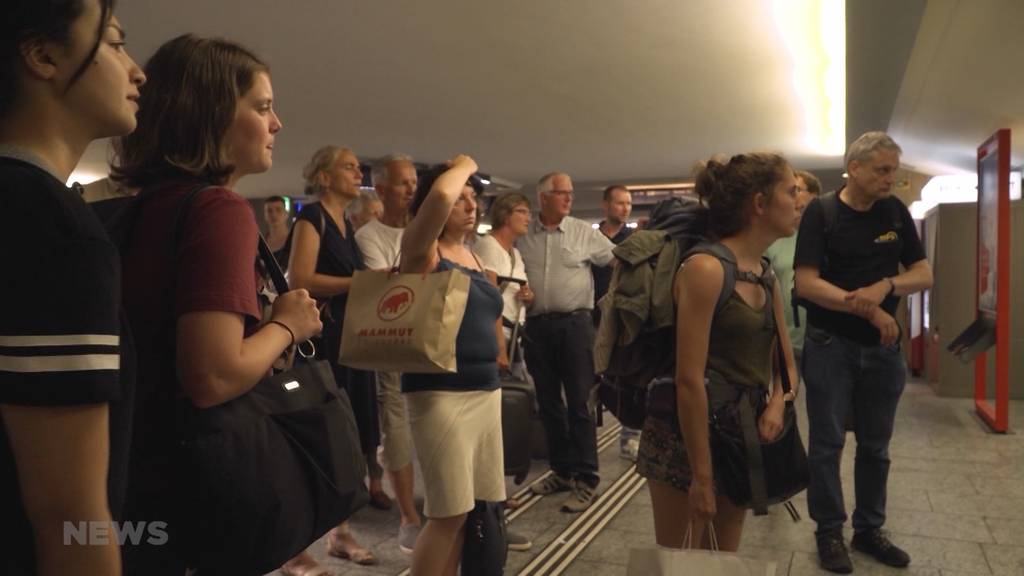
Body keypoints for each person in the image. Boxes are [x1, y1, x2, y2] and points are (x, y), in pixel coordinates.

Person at [111, 34, 322, 575]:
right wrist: (288, 325)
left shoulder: (140, 208)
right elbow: (212, 375)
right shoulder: (219, 209)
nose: (277, 125)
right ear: (209, 113)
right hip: (195, 481)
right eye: (263, 107)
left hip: (131, 471)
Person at [0, 2, 145, 574]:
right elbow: (67, 516)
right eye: (114, 42)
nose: (138, 70)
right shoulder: (49, 224)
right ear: (43, 55)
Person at [636, 152, 800, 552]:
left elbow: (785, 365)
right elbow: (689, 381)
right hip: (684, 438)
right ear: (759, 204)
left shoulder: (764, 273)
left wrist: (779, 401)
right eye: (791, 191)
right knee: (681, 559)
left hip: (738, 433)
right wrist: (702, 478)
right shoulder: (706, 270)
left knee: (721, 559)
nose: (800, 201)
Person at [795, 132, 932, 573]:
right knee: (826, 444)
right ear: (855, 168)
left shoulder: (895, 212)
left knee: (876, 446)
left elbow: (923, 273)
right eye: (883, 170)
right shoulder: (822, 212)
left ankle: (869, 529)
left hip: (883, 353)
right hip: (830, 344)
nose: (891, 179)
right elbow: (807, 283)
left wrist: (887, 285)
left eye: (893, 170)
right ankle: (829, 531)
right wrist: (873, 311)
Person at [401, 158, 506, 576]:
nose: (469, 204)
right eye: (460, 199)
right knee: (447, 512)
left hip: (486, 391)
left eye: (473, 198)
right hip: (440, 394)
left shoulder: (475, 256)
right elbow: (441, 193)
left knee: (471, 511)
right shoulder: (422, 252)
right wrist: (465, 165)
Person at [288, 145, 381, 568]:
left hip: (350, 342)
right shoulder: (313, 217)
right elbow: (300, 277)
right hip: (324, 343)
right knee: (324, 437)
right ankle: (302, 545)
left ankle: (339, 533)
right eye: (348, 166)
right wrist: (360, 282)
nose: (357, 171)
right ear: (324, 176)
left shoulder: (347, 223)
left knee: (349, 438)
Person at [518, 171, 615, 513]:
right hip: (537, 328)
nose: (569, 199)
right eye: (562, 193)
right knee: (548, 404)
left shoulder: (582, 232)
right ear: (542, 196)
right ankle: (561, 470)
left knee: (580, 402)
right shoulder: (523, 235)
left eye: (571, 193)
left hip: (576, 327)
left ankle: (587, 477)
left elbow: (618, 260)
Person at [354, 153, 424, 553]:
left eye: (414, 181)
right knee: (395, 429)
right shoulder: (370, 236)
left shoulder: (423, 229)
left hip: (427, 341)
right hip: (393, 345)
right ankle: (408, 517)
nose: (411, 188)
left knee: (434, 423)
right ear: (381, 190)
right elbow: (389, 287)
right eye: (402, 182)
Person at [592, 184, 640, 460]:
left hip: (623, 318)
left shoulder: (633, 240)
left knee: (626, 375)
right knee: (595, 376)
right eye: (620, 203)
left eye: (629, 204)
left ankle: (629, 436)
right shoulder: (590, 239)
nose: (625, 208)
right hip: (593, 317)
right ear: (606, 205)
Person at [764, 169, 821, 363]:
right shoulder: (776, 237)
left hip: (825, 340)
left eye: (798, 190)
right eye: (790, 192)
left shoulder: (828, 234)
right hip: (785, 339)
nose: (794, 198)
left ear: (815, 195)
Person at [263, 195, 292, 268]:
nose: (274, 215)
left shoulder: (294, 241)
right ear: (265, 215)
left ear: (286, 214)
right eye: (269, 211)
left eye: (278, 210)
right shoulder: (260, 244)